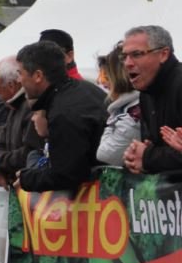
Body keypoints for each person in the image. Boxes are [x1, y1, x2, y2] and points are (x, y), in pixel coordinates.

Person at [14, 40, 107, 192]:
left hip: (104, 198)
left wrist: (27, 179)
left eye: (20, 74)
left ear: (38, 76)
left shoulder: (64, 112)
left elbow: (67, 174)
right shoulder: (85, 89)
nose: (19, 80)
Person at [120, 26, 182, 174]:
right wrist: (133, 157)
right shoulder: (146, 93)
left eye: (136, 54)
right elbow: (150, 147)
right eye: (124, 56)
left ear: (163, 54)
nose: (127, 63)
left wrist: (147, 157)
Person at [0, 56, 41, 188]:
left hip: (31, 188)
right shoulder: (13, 107)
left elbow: (30, 151)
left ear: (11, 86)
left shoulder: (30, 106)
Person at [96, 43, 140, 166]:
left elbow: (106, 154)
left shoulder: (133, 110)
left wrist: (111, 124)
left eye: (105, 77)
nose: (101, 82)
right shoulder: (126, 107)